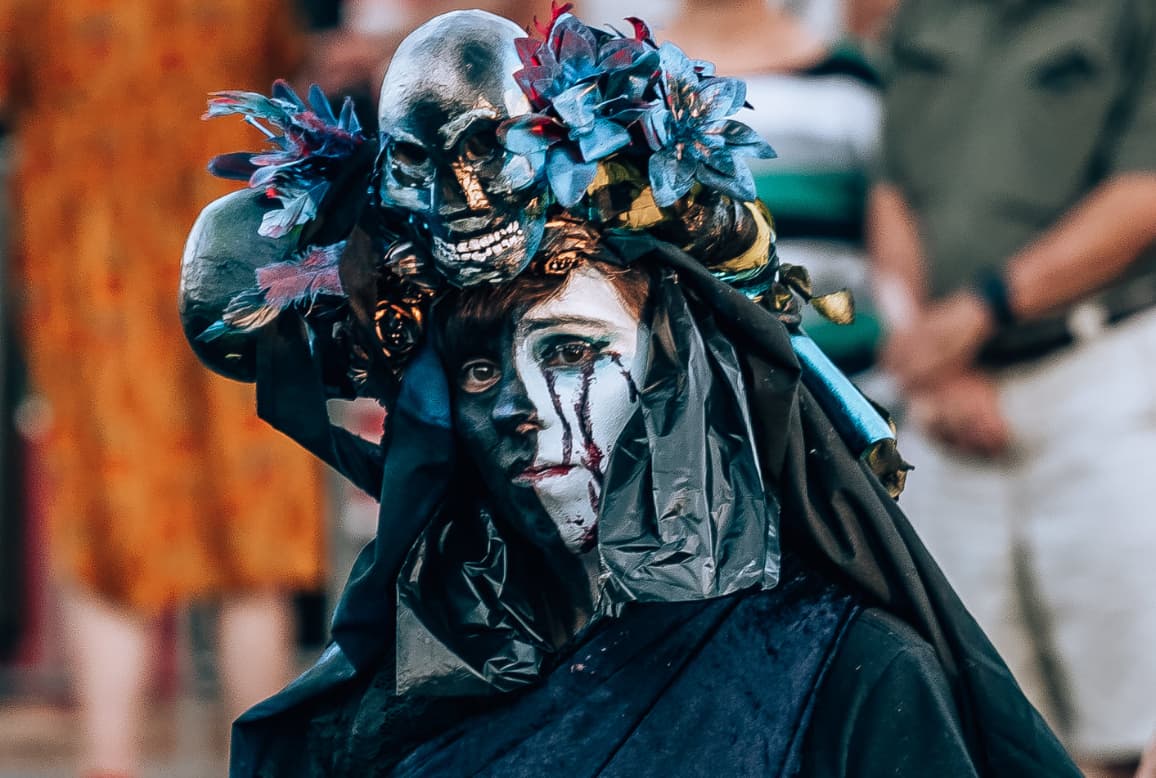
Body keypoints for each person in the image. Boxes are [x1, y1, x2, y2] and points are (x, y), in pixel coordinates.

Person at [181, 9, 1078, 776]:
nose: (519, 406)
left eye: (570, 352)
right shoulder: (400, 700)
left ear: (675, 365)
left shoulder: (855, 675)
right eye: (481, 370)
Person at [0, 4, 328, 774]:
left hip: (98, 246)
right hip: (232, 229)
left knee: (117, 509)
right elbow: (287, 64)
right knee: (247, 515)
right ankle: (256, 762)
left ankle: (111, 761)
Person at [868, 2, 1156, 776]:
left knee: (1124, 721)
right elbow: (892, 186)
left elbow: (1145, 192)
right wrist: (935, 359)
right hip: (943, 399)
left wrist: (979, 312)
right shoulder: (927, 14)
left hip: (1096, 378)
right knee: (978, 712)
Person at [661, 0, 884, 373]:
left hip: (846, 389)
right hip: (684, 400)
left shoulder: (850, 81)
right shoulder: (617, 90)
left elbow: (896, 257)